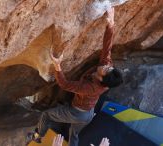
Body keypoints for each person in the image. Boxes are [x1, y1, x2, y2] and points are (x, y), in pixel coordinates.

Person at [27, 7, 123, 146]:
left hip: (77, 113)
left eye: (106, 69)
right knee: (74, 133)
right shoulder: (106, 69)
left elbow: (65, 85)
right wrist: (111, 24)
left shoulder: (90, 87)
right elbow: (107, 48)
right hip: (88, 114)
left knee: (46, 115)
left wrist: (57, 65)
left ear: (102, 79)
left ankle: (37, 135)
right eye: (109, 66)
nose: (106, 65)